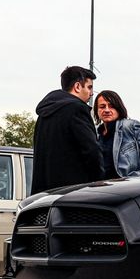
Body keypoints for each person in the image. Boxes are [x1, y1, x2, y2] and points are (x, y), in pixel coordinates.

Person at [30, 65, 103, 193]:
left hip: (44, 193)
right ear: (77, 87)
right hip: (73, 193)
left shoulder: (44, 113)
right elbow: (91, 151)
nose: (92, 93)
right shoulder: (77, 109)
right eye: (90, 87)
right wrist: (99, 181)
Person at [93, 89, 140, 178]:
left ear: (118, 108)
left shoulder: (129, 126)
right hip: (100, 187)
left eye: (111, 106)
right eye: (102, 106)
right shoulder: (95, 133)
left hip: (127, 187)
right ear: (97, 110)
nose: (106, 110)